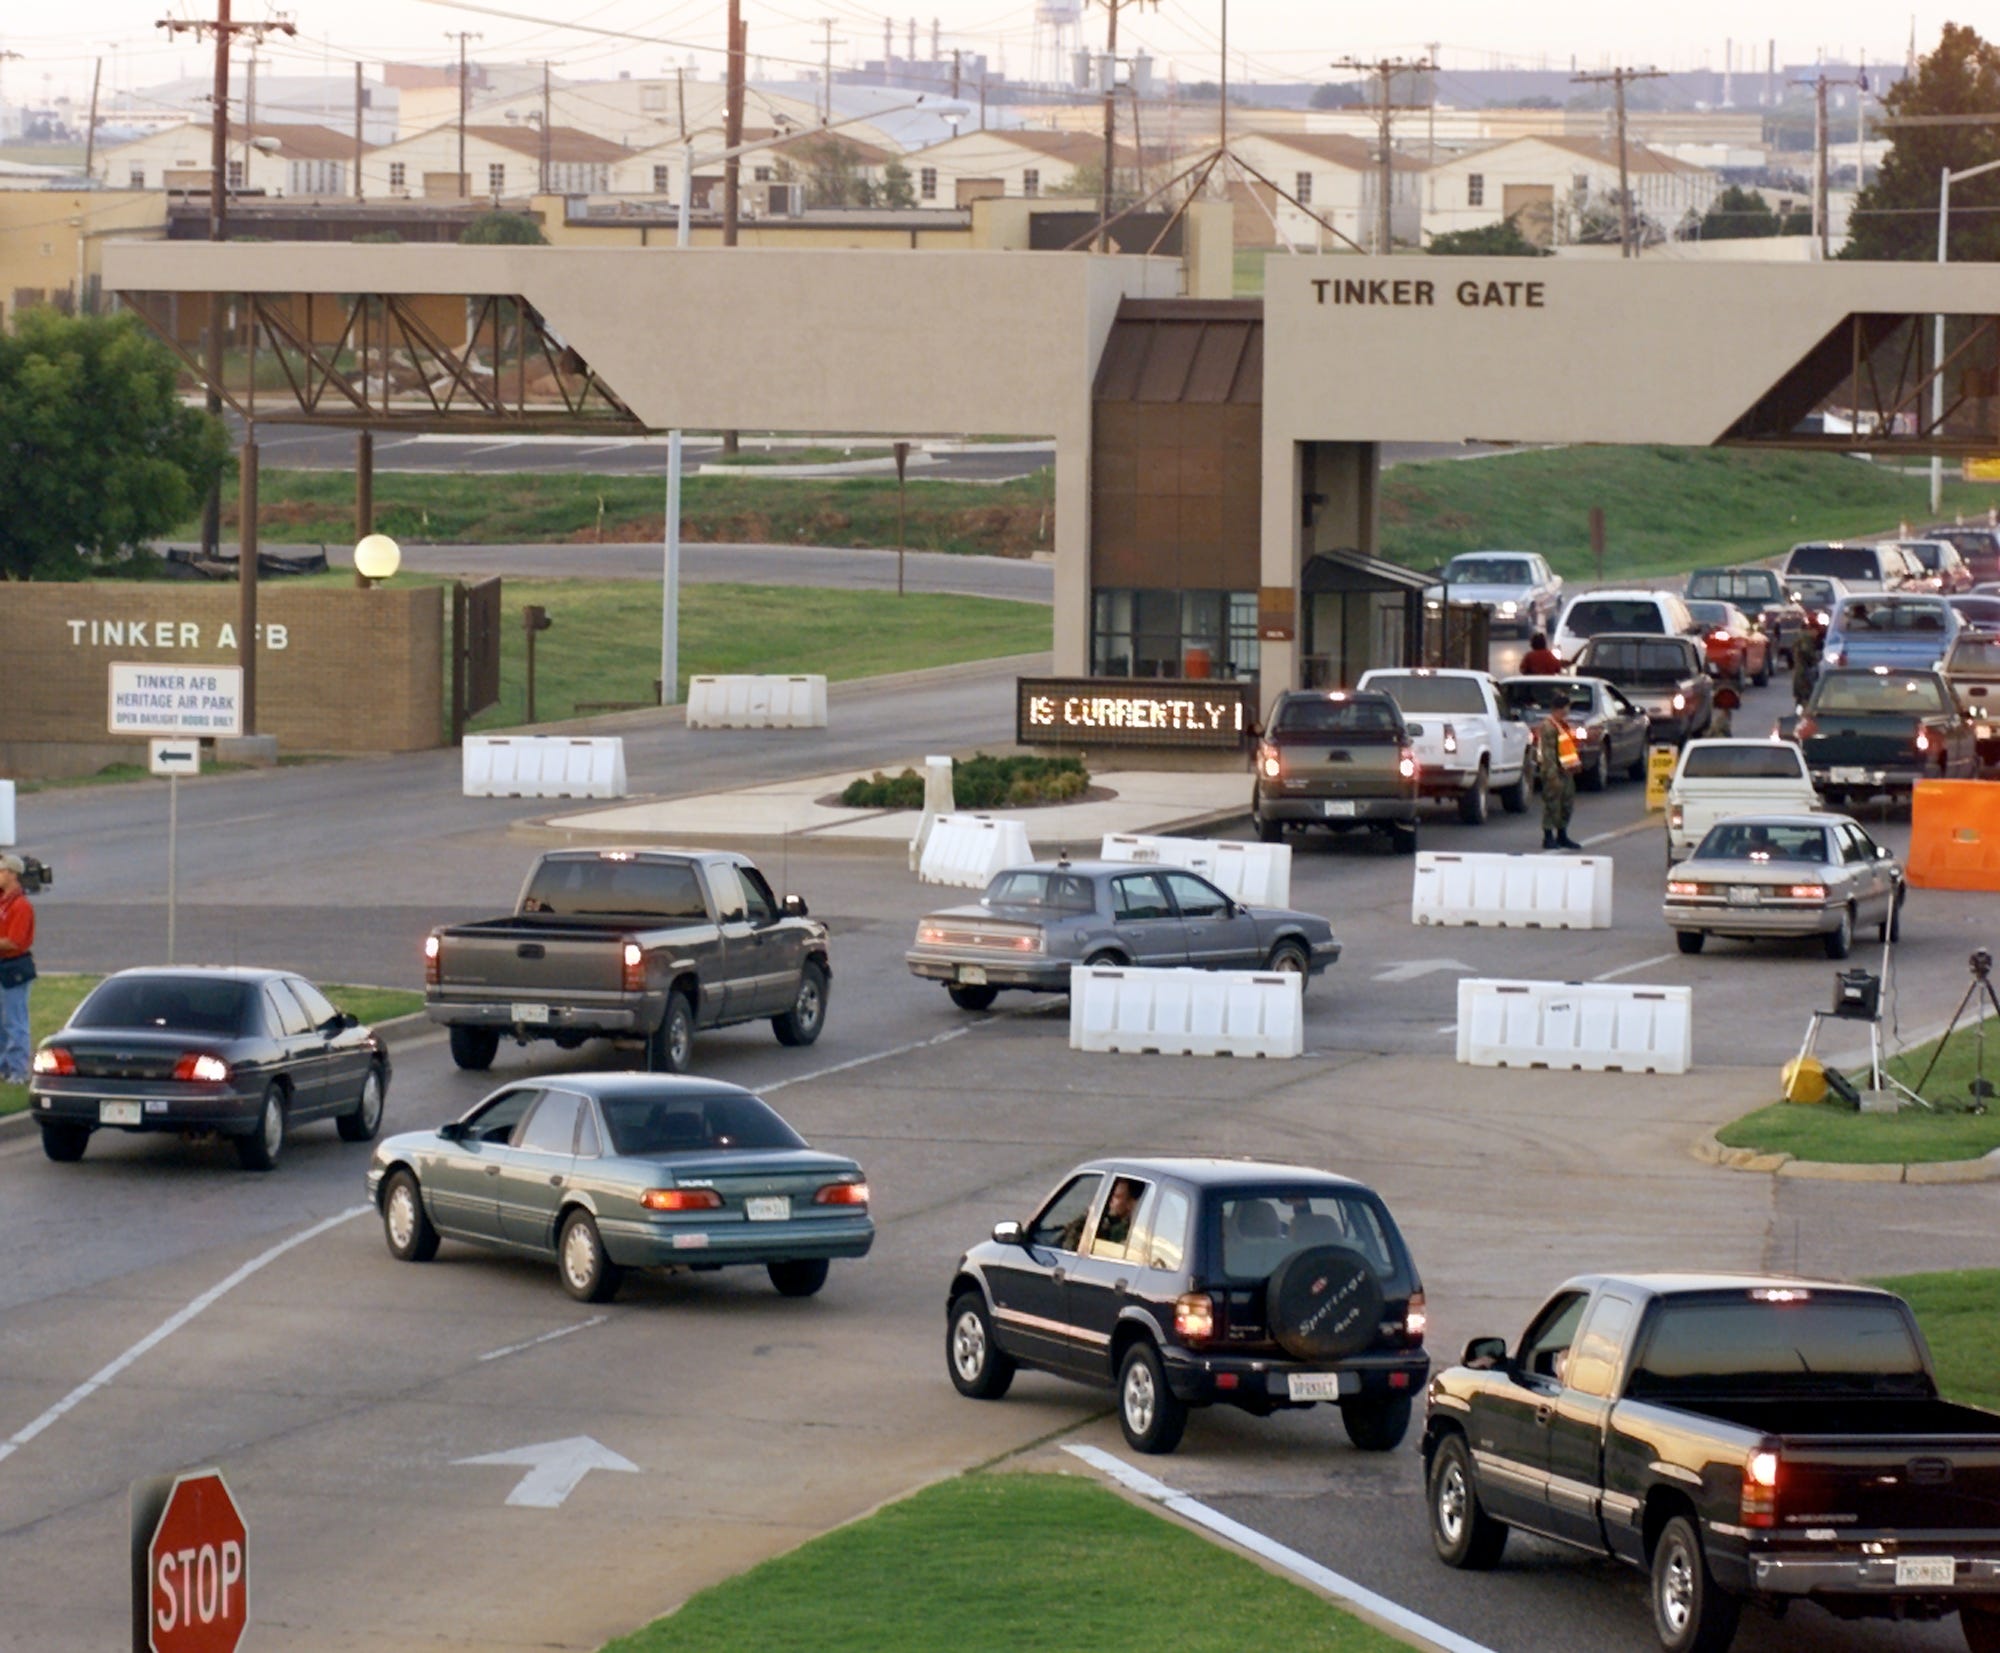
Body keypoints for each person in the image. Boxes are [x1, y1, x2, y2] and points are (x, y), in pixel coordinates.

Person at [0, 854, 37, 1084]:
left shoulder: (21, 906)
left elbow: (14, 941)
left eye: (1, 871)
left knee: (15, 1020)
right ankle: (4, 1067)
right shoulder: (4, 902)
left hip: (13, 966)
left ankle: (18, 1070)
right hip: (3, 964)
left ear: (12, 874)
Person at [1537, 704, 1583, 851]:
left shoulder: (1562, 725)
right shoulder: (1548, 726)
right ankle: (1548, 836)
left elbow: (1567, 744)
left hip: (1565, 770)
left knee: (1566, 803)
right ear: (1561, 708)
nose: (1568, 711)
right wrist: (1552, 775)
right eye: (1567, 707)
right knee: (1552, 803)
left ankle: (1562, 834)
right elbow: (1548, 753)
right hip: (1554, 771)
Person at [1791, 624, 1821, 712]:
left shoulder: (1799, 637)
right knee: (1805, 697)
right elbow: (1807, 651)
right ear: (1813, 630)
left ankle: (1798, 713)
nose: (1816, 635)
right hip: (1804, 672)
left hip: (1799, 671)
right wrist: (1815, 659)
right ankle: (1801, 715)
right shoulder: (1807, 638)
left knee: (1799, 698)